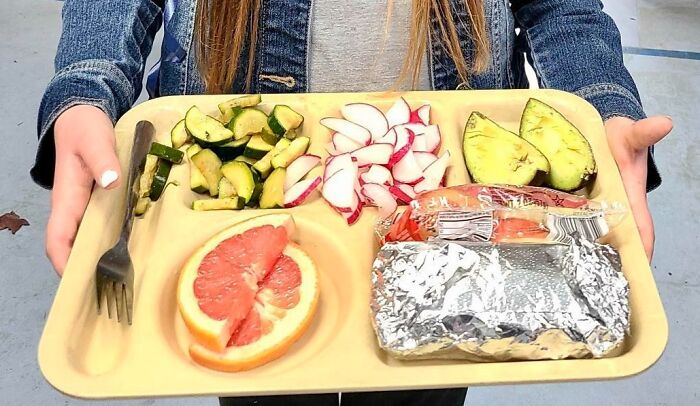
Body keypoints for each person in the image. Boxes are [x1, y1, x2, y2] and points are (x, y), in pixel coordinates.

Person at [31, 1, 671, 405]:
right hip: (252, 201)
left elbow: (563, 8)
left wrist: (602, 102)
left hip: (444, 214)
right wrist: (86, 88)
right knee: (263, 385)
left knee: (419, 391)